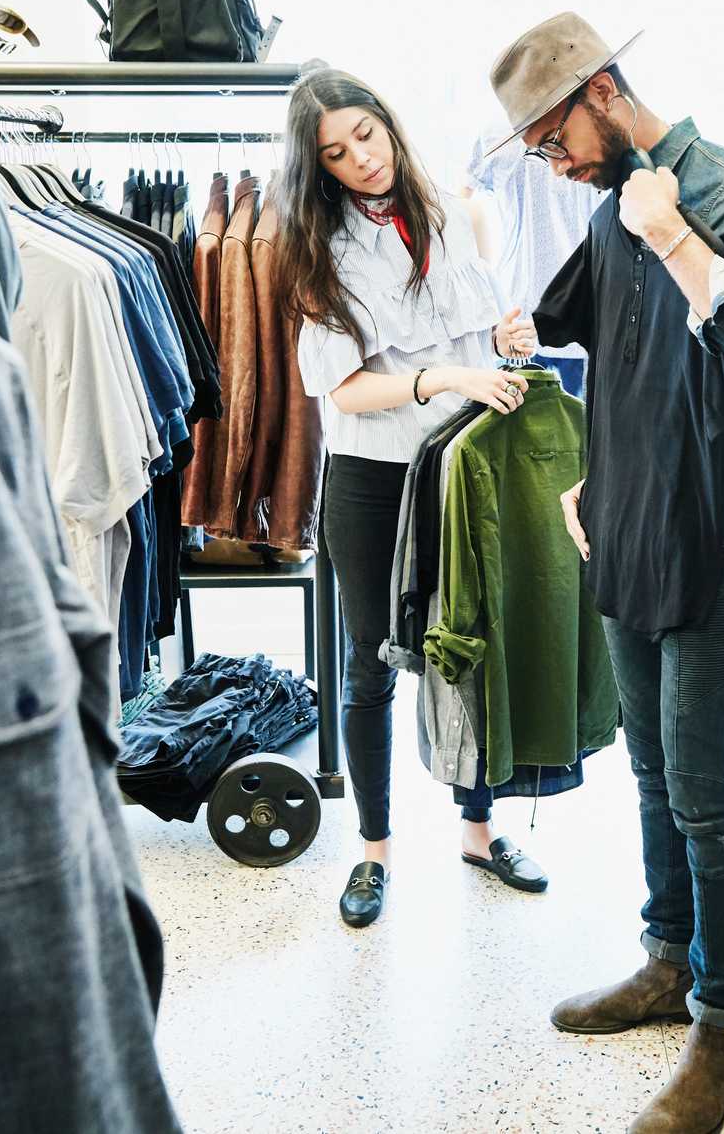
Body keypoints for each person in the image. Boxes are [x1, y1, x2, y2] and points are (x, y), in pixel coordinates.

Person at [490, 13, 724, 1134]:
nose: (555, 163)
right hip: (630, 525)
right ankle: (669, 961)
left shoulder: (722, 190)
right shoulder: (608, 208)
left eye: (554, 139)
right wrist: (597, 472)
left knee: (706, 790)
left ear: (605, 92)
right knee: (654, 774)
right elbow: (608, 357)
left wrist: (675, 238)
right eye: (536, 151)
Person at [283, 69, 546, 930]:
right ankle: (372, 852)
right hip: (371, 476)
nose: (360, 159)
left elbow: (481, 335)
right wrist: (444, 377)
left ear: (387, 123)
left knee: (473, 644)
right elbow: (345, 390)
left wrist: (505, 339)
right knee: (371, 665)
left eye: (364, 134)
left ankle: (478, 831)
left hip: (462, 467)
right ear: (318, 167)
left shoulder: (460, 215)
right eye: (335, 153)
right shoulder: (316, 250)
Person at [459, 125, 602, 396]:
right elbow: (461, 205)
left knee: (580, 420)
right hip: (518, 318)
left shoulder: (586, 128)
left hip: (578, 316)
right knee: (517, 417)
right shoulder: (494, 136)